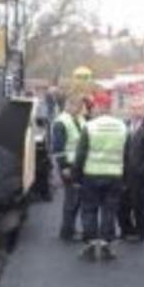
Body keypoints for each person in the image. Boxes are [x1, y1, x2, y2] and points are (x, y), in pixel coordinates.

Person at [72, 91, 128, 261]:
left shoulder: (90, 126)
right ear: (110, 107)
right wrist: (125, 178)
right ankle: (105, 246)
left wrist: (76, 177)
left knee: (89, 210)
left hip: (91, 174)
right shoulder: (122, 127)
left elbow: (81, 154)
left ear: (97, 106)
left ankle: (90, 245)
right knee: (109, 210)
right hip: (114, 175)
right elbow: (127, 154)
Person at [118, 87, 144, 242]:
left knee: (140, 206)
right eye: (134, 108)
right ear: (129, 110)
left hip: (139, 174)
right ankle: (126, 230)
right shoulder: (123, 125)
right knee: (122, 205)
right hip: (122, 172)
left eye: (140, 108)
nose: (137, 111)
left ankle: (139, 233)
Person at [52, 91, 86, 241]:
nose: (79, 109)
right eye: (77, 106)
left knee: (76, 199)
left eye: (80, 106)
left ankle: (70, 229)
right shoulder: (61, 122)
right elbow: (58, 148)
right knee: (72, 199)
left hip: (79, 165)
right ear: (69, 105)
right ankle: (66, 232)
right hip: (69, 165)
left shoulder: (79, 118)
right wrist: (64, 167)